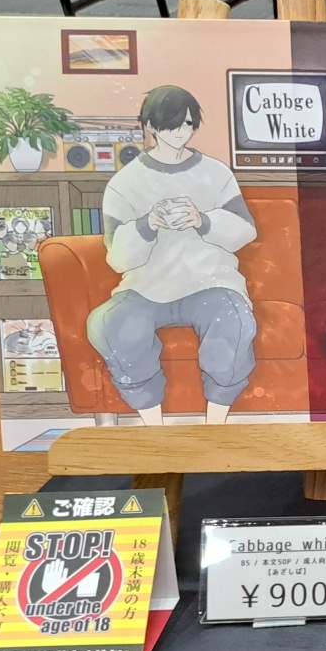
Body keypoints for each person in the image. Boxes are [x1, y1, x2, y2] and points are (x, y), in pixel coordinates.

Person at [88, 86, 259, 426]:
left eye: (188, 124)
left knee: (235, 321)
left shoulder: (216, 173)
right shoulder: (125, 182)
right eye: (172, 124)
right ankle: (154, 426)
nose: (181, 132)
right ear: (151, 126)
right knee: (109, 323)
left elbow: (245, 230)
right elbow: (118, 258)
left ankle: (216, 425)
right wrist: (148, 224)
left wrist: (203, 220)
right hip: (146, 285)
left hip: (210, 280)